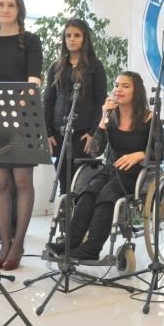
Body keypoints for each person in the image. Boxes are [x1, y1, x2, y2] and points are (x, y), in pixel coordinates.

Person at [47, 71, 156, 260]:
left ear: (136, 91)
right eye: (117, 85)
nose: (118, 89)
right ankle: (70, 243)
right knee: (88, 193)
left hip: (135, 174)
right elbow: (94, 151)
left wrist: (140, 154)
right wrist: (104, 118)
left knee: (107, 196)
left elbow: (162, 152)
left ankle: (91, 249)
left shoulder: (148, 118)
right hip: (111, 170)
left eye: (125, 86)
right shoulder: (111, 117)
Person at [0, 0, 43, 271]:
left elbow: (34, 80)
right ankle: (4, 244)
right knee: (0, 182)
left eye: (10, 5)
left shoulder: (31, 41)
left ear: (19, 10)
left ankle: (18, 245)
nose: (5, 9)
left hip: (24, 117)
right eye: (0, 5)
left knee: (22, 181)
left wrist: (15, 104)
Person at [43, 18, 107, 196]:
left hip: (84, 133)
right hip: (59, 132)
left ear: (85, 38)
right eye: (68, 36)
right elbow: (48, 99)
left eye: (77, 35)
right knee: (63, 183)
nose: (71, 39)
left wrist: (93, 132)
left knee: (80, 183)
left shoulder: (95, 66)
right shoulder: (56, 67)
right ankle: (64, 213)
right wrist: (47, 132)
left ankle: (78, 213)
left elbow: (101, 101)